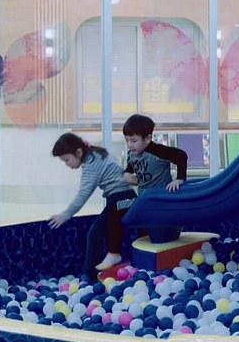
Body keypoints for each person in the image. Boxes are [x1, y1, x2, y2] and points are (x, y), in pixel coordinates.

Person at [48, 133, 137, 279]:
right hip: (121, 197)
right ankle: (106, 267)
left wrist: (65, 214)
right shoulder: (96, 154)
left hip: (122, 198)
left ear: (78, 152)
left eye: (67, 160)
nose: (67, 165)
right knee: (103, 230)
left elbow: (83, 195)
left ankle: (89, 276)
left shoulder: (92, 164)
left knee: (94, 233)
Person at [123, 114, 188, 193]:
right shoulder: (132, 154)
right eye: (127, 140)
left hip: (161, 195)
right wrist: (127, 173)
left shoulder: (158, 152)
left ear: (148, 139)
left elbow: (181, 156)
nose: (129, 145)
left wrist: (180, 179)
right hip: (143, 195)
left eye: (133, 141)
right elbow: (132, 165)